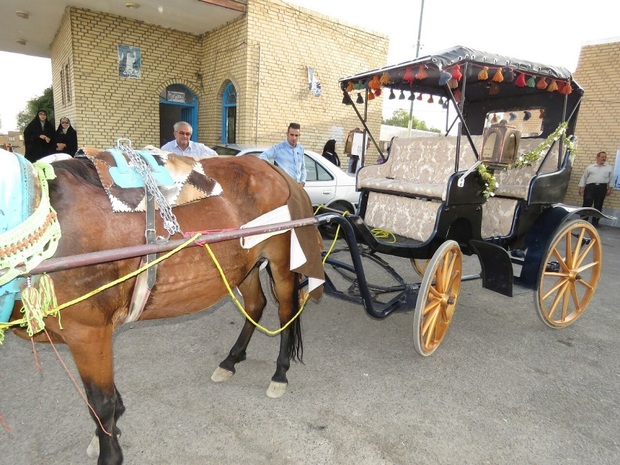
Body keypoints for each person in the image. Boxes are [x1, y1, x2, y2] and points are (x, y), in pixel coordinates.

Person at [578, 151, 613, 226]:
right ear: (597, 157)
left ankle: (595, 223)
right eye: (602, 157)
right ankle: (583, 222)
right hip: (590, 187)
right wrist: (581, 187)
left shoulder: (609, 168)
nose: (604, 158)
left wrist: (610, 189)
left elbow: (611, 179)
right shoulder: (590, 167)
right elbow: (584, 178)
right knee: (587, 204)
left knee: (598, 205)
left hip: (602, 188)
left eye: (605, 157)